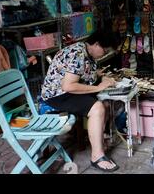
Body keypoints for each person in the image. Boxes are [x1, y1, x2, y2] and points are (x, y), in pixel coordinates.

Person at [40, 30, 120, 172]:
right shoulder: (77, 54)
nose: (105, 54)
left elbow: (85, 74)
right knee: (98, 108)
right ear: (96, 44)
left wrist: (102, 77)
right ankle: (97, 156)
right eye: (105, 50)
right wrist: (98, 87)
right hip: (57, 95)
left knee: (106, 104)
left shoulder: (87, 52)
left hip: (67, 91)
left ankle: (99, 142)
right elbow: (68, 86)